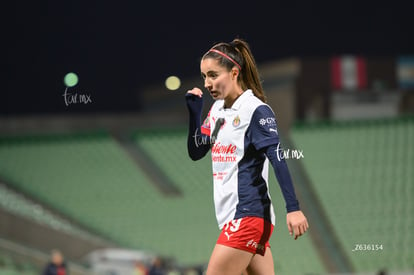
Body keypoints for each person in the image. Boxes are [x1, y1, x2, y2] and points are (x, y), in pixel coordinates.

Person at [185, 38, 309, 275]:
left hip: (248, 216)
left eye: (213, 75)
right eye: (204, 77)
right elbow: (196, 151)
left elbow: (278, 158)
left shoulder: (255, 110)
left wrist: (293, 208)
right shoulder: (217, 110)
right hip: (235, 218)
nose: (208, 83)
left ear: (234, 72)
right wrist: (194, 115)